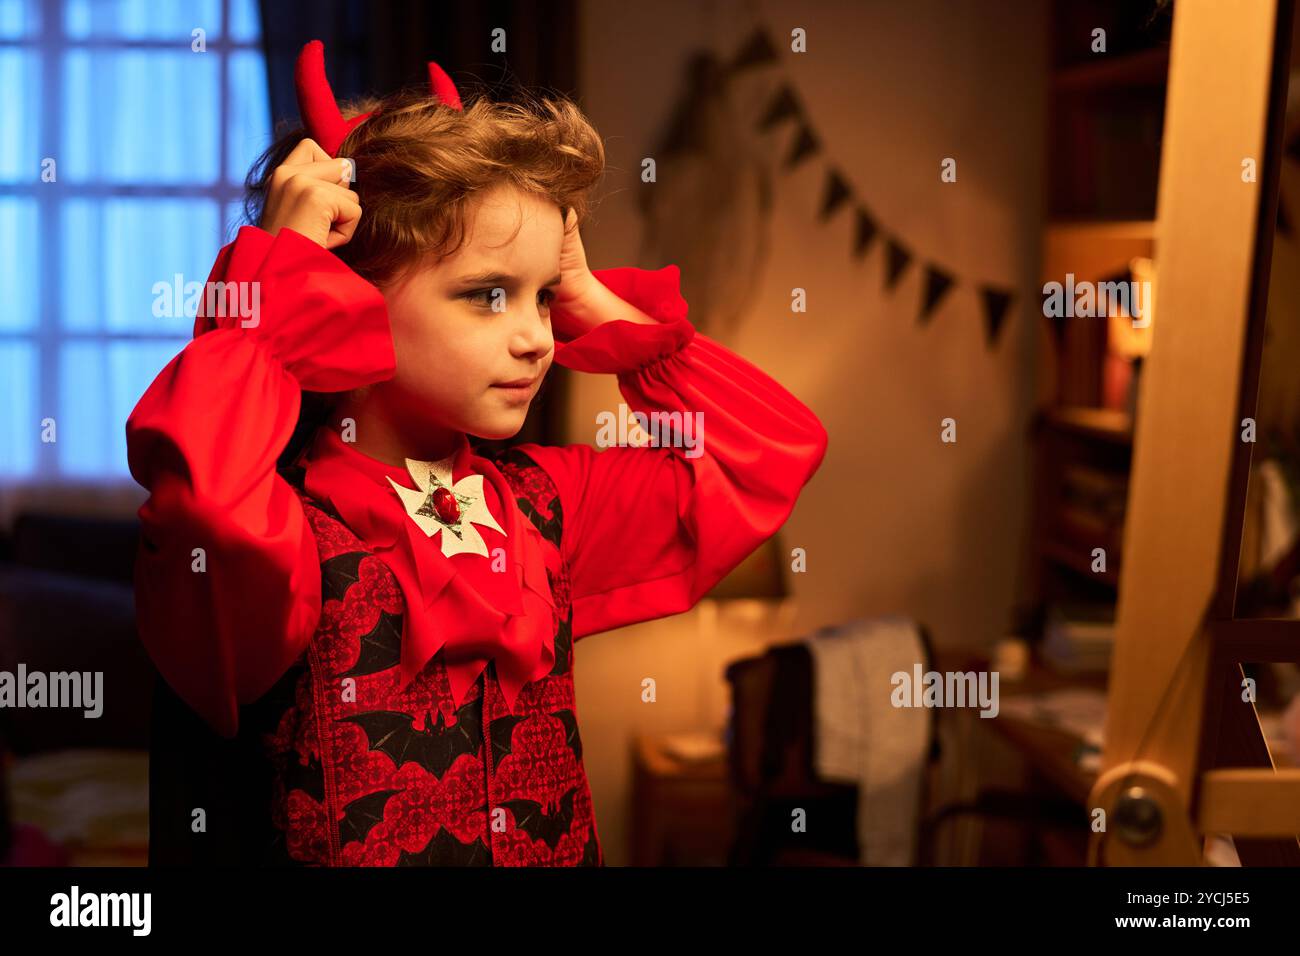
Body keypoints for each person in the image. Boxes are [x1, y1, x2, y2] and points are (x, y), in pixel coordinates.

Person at [126, 40, 828, 866]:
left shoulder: (547, 503)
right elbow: (208, 502)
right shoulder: (283, 523)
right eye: (488, 296)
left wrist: (592, 300)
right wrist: (276, 284)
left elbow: (769, 452)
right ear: (346, 291)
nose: (536, 337)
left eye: (541, 296)